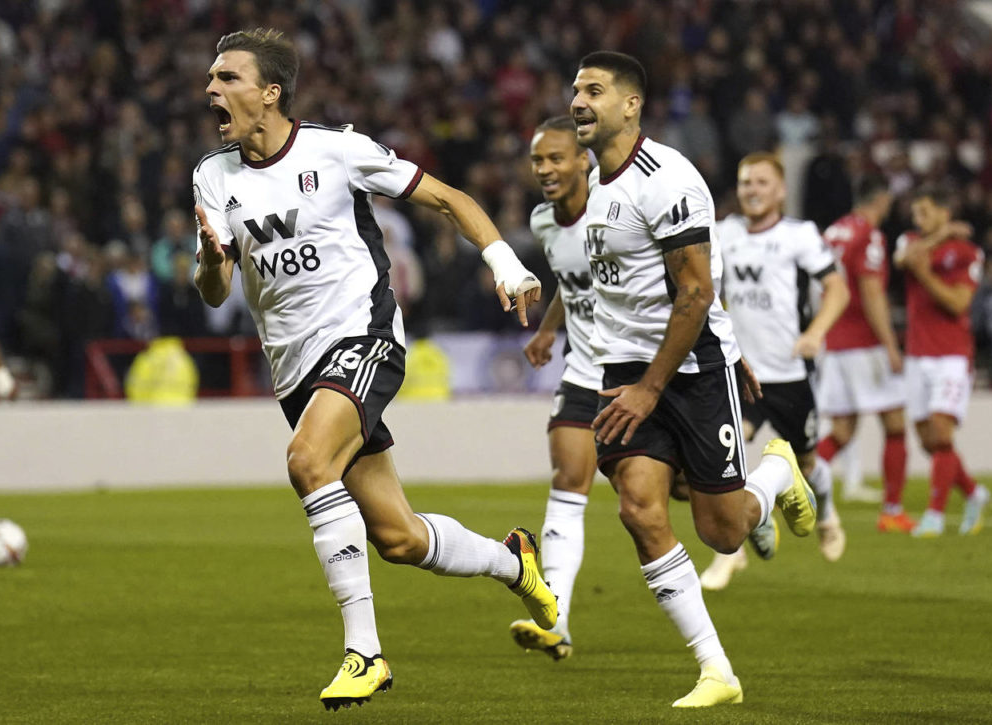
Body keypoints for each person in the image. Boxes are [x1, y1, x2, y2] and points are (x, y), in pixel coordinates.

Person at [191, 28, 556, 710]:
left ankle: (366, 653)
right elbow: (214, 292)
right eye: (212, 78)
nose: (211, 88)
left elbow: (449, 199)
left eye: (227, 77)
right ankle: (514, 560)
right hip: (295, 371)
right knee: (398, 537)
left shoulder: (337, 150)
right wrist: (213, 261)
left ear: (270, 93)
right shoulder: (213, 176)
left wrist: (504, 262)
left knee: (307, 461)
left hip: (363, 336)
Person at [571, 51, 816, 709]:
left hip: (689, 370)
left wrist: (672, 377)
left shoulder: (668, 178)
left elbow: (697, 290)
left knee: (723, 532)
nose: (578, 102)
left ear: (632, 104)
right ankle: (716, 669)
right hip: (625, 370)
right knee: (638, 507)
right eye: (575, 90)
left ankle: (776, 472)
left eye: (594, 90)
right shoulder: (596, 181)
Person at [702, 152, 850, 590]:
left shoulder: (799, 235)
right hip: (740, 373)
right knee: (721, 462)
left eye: (762, 182)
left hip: (789, 373)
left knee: (806, 461)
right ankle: (729, 552)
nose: (752, 190)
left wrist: (816, 332)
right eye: (746, 182)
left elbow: (837, 289)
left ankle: (827, 516)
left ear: (781, 190)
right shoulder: (723, 232)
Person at [508, 116, 595, 661]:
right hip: (585, 368)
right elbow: (572, 278)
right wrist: (548, 329)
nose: (544, 169)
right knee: (568, 481)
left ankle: (772, 481)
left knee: (698, 503)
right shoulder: (544, 219)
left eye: (556, 158)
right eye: (538, 160)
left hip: (645, 369)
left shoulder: (620, 210)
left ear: (584, 160)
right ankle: (555, 620)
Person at [815, 175, 912, 531]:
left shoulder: (833, 232)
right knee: (895, 424)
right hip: (865, 344)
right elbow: (872, 294)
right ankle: (892, 511)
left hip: (835, 343)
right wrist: (890, 345)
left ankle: (786, 489)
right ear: (882, 199)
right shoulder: (869, 236)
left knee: (841, 431)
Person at [894, 186, 992, 537]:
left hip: (951, 355)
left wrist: (925, 274)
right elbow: (902, 260)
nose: (917, 219)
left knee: (940, 430)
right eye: (915, 213)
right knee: (929, 442)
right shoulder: (910, 241)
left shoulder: (968, 252)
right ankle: (974, 494)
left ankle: (934, 516)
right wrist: (941, 235)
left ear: (944, 212)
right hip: (917, 355)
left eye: (924, 212)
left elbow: (957, 303)